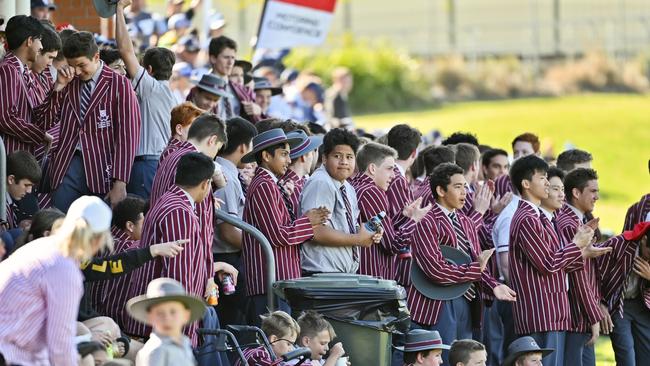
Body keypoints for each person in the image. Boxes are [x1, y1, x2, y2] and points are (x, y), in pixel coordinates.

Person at [406, 163, 515, 364]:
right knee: (443, 358)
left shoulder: (465, 221)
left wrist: (494, 285)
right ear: (440, 190)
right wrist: (476, 269)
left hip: (467, 299)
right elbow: (435, 269)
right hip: (438, 302)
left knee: (466, 357)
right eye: (458, 187)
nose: (465, 192)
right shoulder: (427, 221)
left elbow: (475, 262)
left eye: (465, 186)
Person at [507, 155, 609, 366]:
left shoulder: (541, 217)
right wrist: (577, 245)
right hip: (541, 311)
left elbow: (558, 261)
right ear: (526, 184)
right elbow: (548, 263)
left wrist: (582, 252)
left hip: (553, 310)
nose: (547, 183)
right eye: (542, 178)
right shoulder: (527, 219)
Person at [126, 152, 230, 346]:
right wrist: (183, 328)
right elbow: (178, 274)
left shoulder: (171, 201)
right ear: (205, 184)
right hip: (166, 324)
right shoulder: (179, 210)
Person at [0, 196, 112, 365]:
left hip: (13, 345)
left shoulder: (45, 246)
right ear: (98, 240)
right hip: (10, 354)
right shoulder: (63, 268)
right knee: (89, 359)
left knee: (90, 352)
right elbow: (59, 345)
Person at [40, 31, 141, 212]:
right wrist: (58, 88)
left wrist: (121, 181)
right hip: (67, 166)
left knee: (96, 232)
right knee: (58, 225)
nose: (77, 71)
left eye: (81, 65)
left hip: (102, 170)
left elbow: (128, 135)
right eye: (73, 66)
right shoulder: (68, 80)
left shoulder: (119, 84)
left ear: (96, 56)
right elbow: (45, 121)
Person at [241, 128, 329, 325]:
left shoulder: (270, 183)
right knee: (276, 342)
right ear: (265, 156)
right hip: (270, 281)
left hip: (279, 278)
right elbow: (278, 235)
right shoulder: (264, 185)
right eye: (284, 154)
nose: (289, 160)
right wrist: (309, 221)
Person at [116, 0, 179, 200]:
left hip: (147, 165)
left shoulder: (152, 88)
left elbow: (126, 51)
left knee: (139, 224)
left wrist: (119, 10)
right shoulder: (172, 95)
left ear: (149, 70)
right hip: (160, 165)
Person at [300, 128, 382, 275]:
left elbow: (347, 228)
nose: (344, 162)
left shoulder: (348, 187)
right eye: (337, 156)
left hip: (341, 274)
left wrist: (369, 232)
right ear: (325, 158)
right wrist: (357, 239)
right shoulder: (321, 182)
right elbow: (315, 231)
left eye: (349, 157)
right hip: (321, 274)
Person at [351, 142, 430, 279]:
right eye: (389, 169)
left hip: (361, 276)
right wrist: (414, 220)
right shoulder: (372, 192)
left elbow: (381, 230)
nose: (393, 176)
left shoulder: (356, 185)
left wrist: (404, 215)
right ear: (372, 169)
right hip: (371, 278)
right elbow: (392, 244)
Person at [214, 116, 258, 328]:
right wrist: (257, 248)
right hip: (225, 257)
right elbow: (228, 232)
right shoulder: (226, 178)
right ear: (243, 146)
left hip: (229, 255)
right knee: (233, 320)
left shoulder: (229, 173)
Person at [599, 221, 650, 366]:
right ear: (644, 240)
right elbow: (594, 271)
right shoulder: (619, 244)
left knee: (647, 356)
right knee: (626, 358)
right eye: (649, 252)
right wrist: (601, 303)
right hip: (618, 305)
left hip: (642, 306)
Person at [0, 15, 52, 157]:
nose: (41, 46)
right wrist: (39, 135)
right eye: (39, 40)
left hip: (23, 154)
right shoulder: (8, 69)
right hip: (12, 155)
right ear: (29, 41)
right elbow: (6, 118)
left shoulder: (21, 70)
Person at [127, 277, 205, 365]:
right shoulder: (155, 351)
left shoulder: (184, 342)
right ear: (150, 317)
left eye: (173, 312)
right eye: (160, 313)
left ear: (186, 315)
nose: (167, 318)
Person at [384, 124, 422, 282]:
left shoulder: (393, 175)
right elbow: (398, 224)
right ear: (414, 153)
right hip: (395, 263)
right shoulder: (397, 178)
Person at [205, 36, 262, 122]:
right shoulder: (200, 90)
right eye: (226, 57)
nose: (230, 62)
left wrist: (258, 110)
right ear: (213, 58)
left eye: (233, 58)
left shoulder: (240, 89)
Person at [236, 311, 300, 366]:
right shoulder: (258, 355)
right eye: (288, 344)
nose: (291, 349)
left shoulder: (268, 355)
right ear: (274, 340)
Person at [494, 132, 540, 198]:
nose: (519, 156)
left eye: (525, 152)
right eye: (516, 152)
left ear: (537, 155)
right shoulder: (502, 182)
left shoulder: (547, 181)